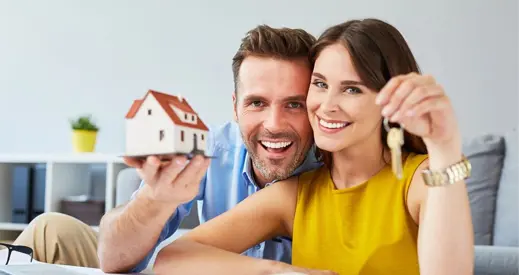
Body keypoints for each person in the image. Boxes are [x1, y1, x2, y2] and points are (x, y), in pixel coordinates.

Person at [151, 18, 475, 275]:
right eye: (320, 84)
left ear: (388, 100)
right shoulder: (295, 195)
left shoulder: (420, 180)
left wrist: (444, 145)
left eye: (352, 90)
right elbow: (173, 259)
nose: (326, 105)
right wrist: (278, 272)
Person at [12, 24, 322, 273]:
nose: (274, 124)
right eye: (257, 103)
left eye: (294, 104)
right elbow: (115, 260)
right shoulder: (209, 146)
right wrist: (155, 199)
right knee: (49, 228)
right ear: (235, 108)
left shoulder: (336, 163)